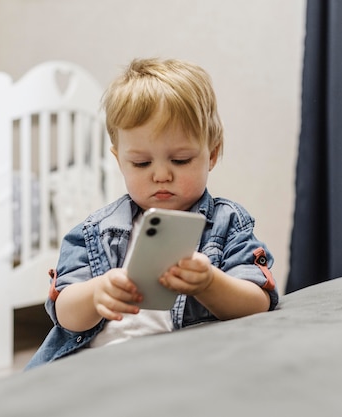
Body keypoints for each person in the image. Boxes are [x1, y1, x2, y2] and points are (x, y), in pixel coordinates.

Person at [26, 58, 278, 369]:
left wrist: (210, 284)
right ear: (120, 161)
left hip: (183, 368)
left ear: (211, 154)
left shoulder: (228, 224)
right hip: (93, 367)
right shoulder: (94, 231)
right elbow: (64, 314)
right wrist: (96, 294)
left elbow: (259, 302)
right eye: (142, 164)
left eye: (181, 160)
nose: (161, 175)